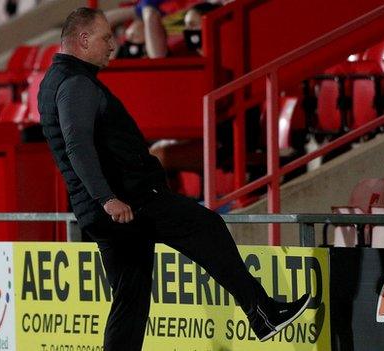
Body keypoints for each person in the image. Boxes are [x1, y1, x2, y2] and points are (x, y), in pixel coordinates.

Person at [38, 7, 310, 350]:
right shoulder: (76, 83)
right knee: (206, 226)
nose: (113, 45)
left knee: (130, 300)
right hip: (129, 201)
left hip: (103, 209)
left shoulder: (55, 79)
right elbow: (78, 145)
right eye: (106, 38)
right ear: (83, 39)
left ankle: (263, 312)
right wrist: (107, 197)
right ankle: (263, 313)